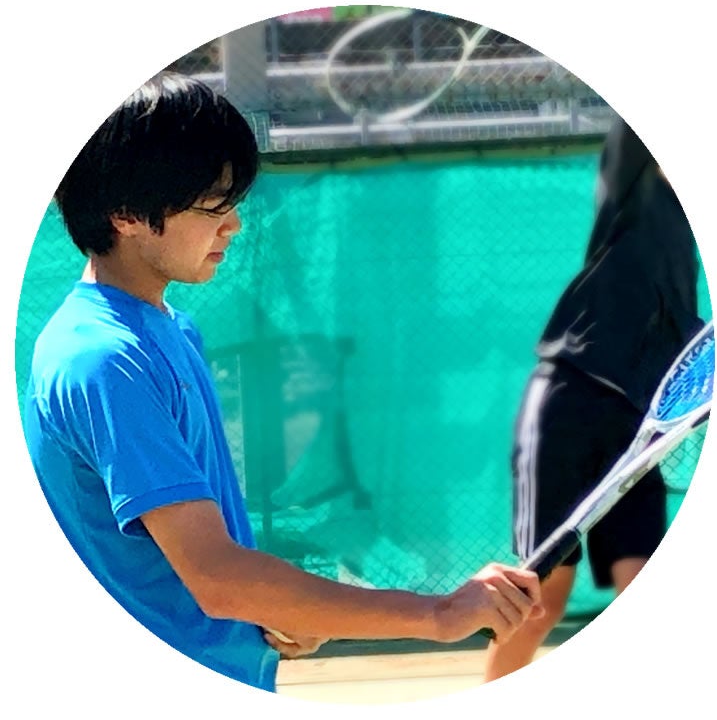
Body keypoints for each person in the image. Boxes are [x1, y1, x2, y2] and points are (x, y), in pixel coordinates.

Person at [22, 71, 543, 694]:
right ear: (127, 214)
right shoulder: (103, 360)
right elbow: (217, 578)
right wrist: (439, 614)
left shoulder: (168, 330)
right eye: (211, 205)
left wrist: (282, 609)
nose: (233, 225)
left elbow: (204, 567)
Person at [483, 117, 703, 682]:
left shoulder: (693, 252)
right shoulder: (637, 190)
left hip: (636, 433)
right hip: (568, 404)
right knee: (541, 602)